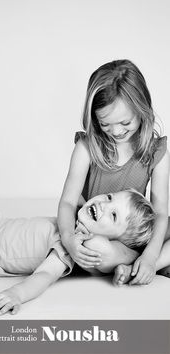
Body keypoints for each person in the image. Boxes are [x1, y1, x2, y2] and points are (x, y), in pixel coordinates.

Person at [0, 79, 156, 316]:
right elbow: (72, 206)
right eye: (110, 197)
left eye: (113, 215)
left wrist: (16, 294)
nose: (103, 202)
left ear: (112, 241)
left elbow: (45, 275)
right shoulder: (72, 229)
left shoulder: (75, 249)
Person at [58, 59, 170, 286]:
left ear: (142, 110)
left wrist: (150, 254)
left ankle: (143, 265)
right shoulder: (86, 148)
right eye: (105, 124)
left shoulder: (157, 151)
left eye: (125, 122)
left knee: (162, 230)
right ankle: (138, 264)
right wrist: (69, 240)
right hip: (98, 233)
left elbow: (159, 213)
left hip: (133, 234)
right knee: (100, 248)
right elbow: (68, 203)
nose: (116, 131)